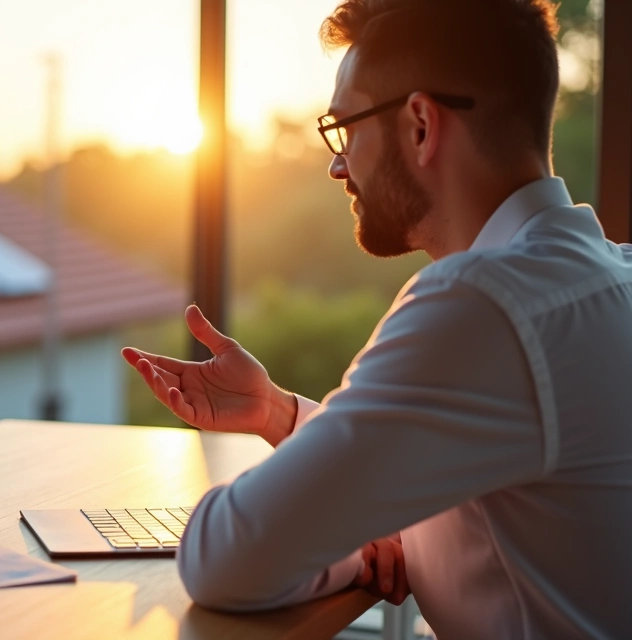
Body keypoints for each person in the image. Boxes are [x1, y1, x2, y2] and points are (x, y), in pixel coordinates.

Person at [124, 0, 632, 636]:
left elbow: (225, 558)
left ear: (420, 125)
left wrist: (340, 537)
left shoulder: (482, 307)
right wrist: (283, 415)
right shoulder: (610, 277)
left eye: (346, 128)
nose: (337, 163)